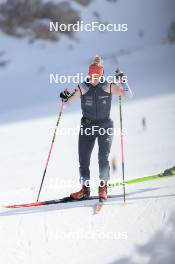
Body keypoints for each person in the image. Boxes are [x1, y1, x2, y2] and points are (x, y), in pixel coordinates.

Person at [60, 55, 132, 201]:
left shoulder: (108, 86)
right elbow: (67, 104)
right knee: (84, 159)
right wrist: (64, 98)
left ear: (101, 74)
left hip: (105, 125)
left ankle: (103, 186)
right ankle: (85, 189)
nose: (93, 78)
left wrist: (123, 81)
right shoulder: (83, 87)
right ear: (88, 74)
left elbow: (128, 95)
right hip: (87, 126)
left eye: (96, 75)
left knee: (103, 157)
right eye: (91, 75)